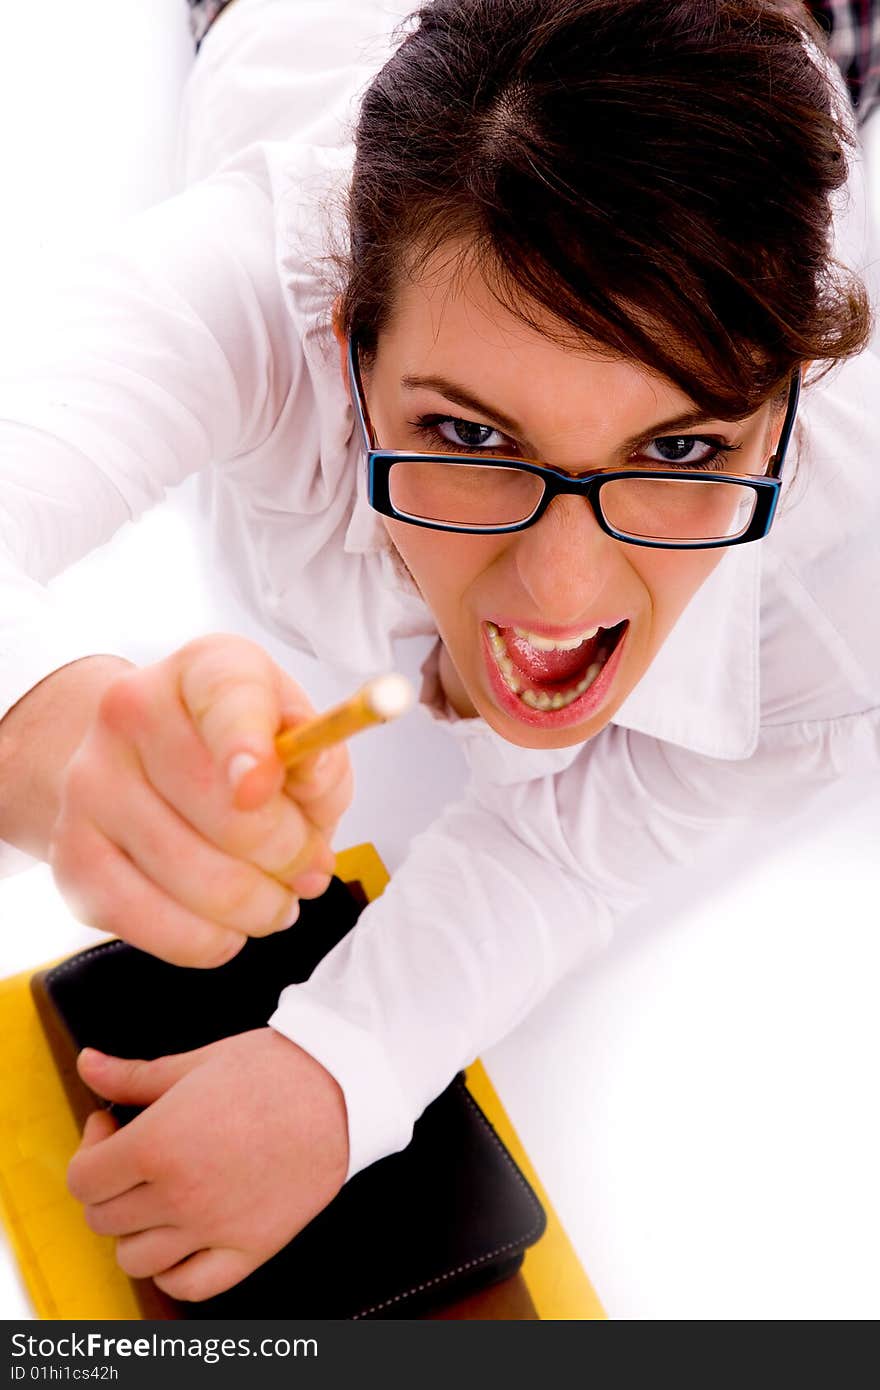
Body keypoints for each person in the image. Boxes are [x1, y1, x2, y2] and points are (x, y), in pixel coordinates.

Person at [0, 0, 877, 1303]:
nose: (562, 592)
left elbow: (584, 837)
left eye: (683, 449)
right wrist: (42, 725)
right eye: (468, 436)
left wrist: (345, 1068)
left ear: (788, 405)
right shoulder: (263, 267)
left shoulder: (840, 569)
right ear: (346, 340)